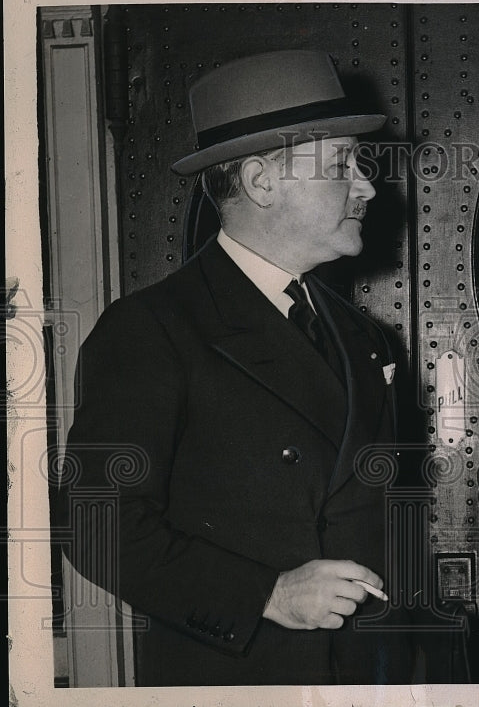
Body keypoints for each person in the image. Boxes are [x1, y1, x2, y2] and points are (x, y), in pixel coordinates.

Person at [60, 50, 414, 685]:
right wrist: (266, 596)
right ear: (261, 182)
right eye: (341, 166)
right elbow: (95, 523)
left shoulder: (367, 340)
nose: (366, 185)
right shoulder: (153, 331)